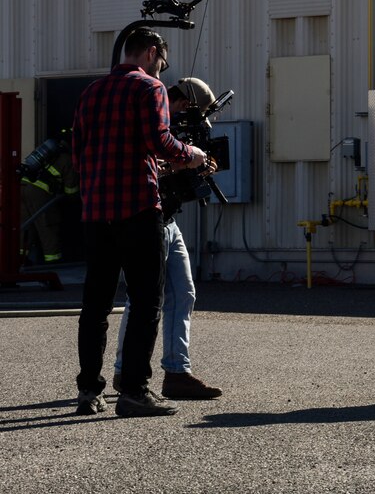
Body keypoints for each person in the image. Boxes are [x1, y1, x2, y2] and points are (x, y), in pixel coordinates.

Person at [72, 29, 207, 418]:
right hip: (137, 208)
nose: (161, 71)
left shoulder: (91, 92)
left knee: (95, 305)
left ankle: (88, 391)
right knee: (147, 300)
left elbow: (79, 153)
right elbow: (159, 140)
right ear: (151, 53)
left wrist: (95, 189)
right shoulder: (150, 89)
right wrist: (192, 155)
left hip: (96, 211)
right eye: (161, 64)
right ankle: (133, 391)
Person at [112, 78, 223, 401]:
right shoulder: (152, 123)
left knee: (183, 293)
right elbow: (146, 169)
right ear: (183, 102)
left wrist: (197, 167)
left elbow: (174, 178)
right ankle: (124, 370)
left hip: (169, 221)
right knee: (141, 299)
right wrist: (181, 162)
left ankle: (177, 372)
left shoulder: (173, 132)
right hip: (148, 220)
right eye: (189, 110)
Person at [20, 136, 79, 264]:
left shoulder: (47, 152)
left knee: (26, 226)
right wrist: (74, 200)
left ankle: (20, 258)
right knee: (48, 226)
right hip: (39, 193)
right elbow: (71, 189)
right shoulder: (68, 159)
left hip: (22, 187)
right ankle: (53, 261)